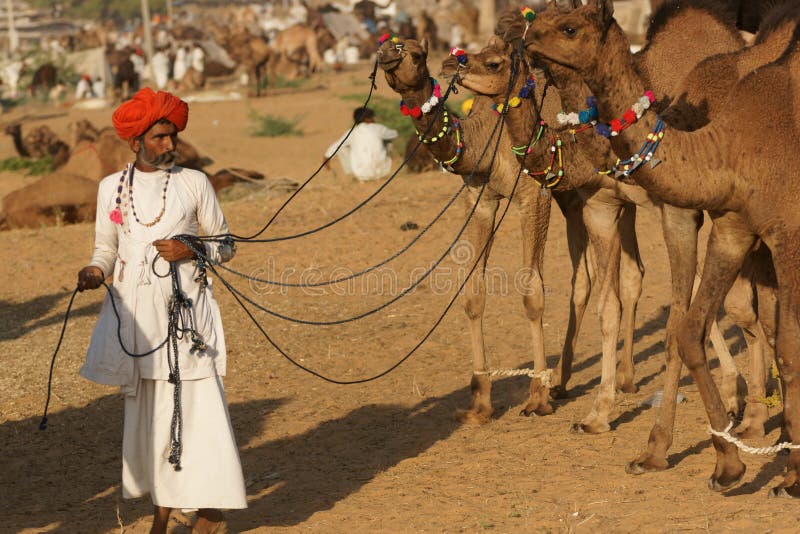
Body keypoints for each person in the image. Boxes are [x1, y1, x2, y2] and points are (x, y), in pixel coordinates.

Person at [76, 87, 246, 534]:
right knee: (154, 419)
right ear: (136, 142)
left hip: (186, 318)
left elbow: (225, 244)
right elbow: (105, 248)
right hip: (137, 321)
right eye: (159, 138)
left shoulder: (195, 183)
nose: (170, 145)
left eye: (172, 136)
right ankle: (167, 510)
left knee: (196, 411)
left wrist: (190, 248)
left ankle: (206, 512)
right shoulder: (111, 189)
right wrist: (95, 271)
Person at [323, 107, 398, 182]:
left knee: (342, 147)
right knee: (387, 140)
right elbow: (394, 134)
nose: (374, 119)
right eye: (372, 117)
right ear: (367, 119)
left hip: (361, 173)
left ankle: (353, 174)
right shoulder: (378, 128)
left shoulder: (352, 132)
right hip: (382, 172)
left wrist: (326, 158)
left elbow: (335, 146)